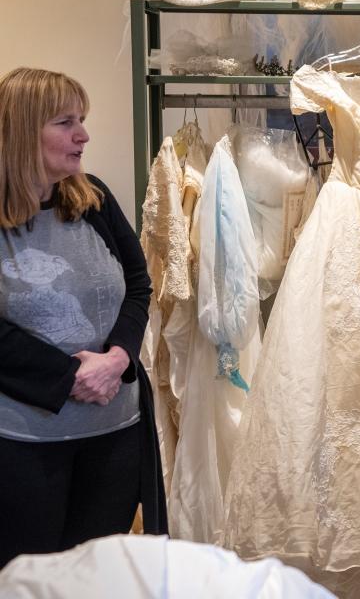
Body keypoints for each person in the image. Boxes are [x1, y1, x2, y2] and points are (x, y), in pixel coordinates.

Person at [0, 67, 166, 568]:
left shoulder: (91, 197)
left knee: (95, 577)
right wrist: (73, 376)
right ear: (21, 129)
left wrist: (117, 357)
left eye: (83, 120)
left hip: (116, 434)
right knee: (27, 577)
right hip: (25, 447)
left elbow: (138, 284)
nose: (83, 134)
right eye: (65, 121)